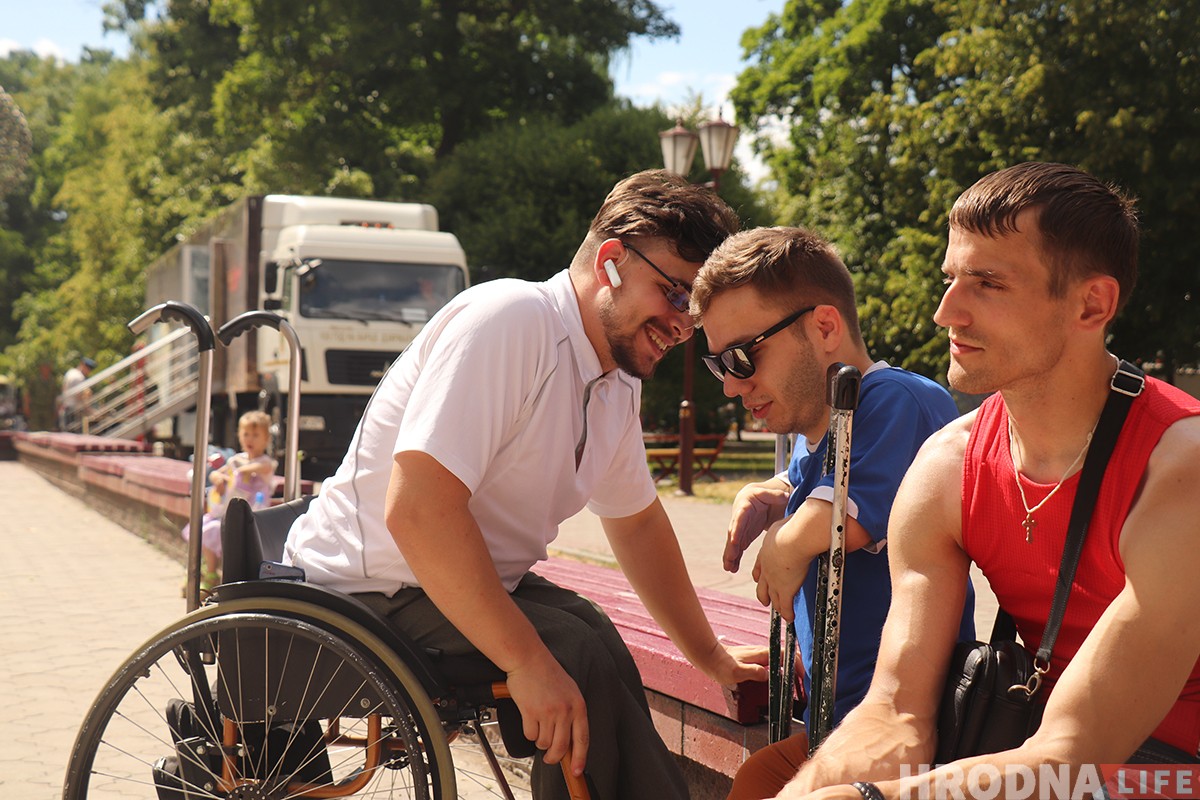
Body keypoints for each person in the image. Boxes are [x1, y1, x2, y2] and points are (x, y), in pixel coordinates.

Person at [284, 169, 769, 800]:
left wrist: (710, 658)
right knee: (569, 651)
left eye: (694, 312)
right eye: (674, 294)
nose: (683, 325)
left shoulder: (613, 378)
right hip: (366, 585)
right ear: (612, 261)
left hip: (442, 579)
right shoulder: (512, 320)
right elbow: (418, 510)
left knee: (594, 634)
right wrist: (526, 662)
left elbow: (636, 523)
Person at [774, 162, 1200, 800]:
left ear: (1092, 303)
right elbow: (895, 713)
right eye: (950, 279)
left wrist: (869, 797)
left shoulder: (1179, 468)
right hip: (1042, 758)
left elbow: (1072, 753)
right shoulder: (949, 464)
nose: (946, 312)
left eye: (988, 284)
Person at [689, 227, 972, 799]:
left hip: (907, 731)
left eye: (743, 356)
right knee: (756, 780)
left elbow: (847, 513)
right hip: (836, 720)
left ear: (824, 327)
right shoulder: (820, 430)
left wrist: (787, 541)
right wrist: (770, 493)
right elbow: (813, 477)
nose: (732, 387)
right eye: (719, 365)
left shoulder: (897, 402)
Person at [183, 410, 276, 595]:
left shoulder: (265, 462)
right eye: (246, 434)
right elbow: (216, 474)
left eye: (256, 435)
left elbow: (262, 467)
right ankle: (209, 572)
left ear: (266, 439)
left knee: (226, 537)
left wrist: (242, 470)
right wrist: (219, 479)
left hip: (253, 514)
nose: (250, 439)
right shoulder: (236, 460)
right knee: (205, 529)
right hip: (229, 511)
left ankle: (224, 576)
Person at [58, 356, 96, 431]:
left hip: (66, 408)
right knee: (75, 434)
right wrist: (88, 410)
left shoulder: (70, 372)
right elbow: (79, 396)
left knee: (67, 433)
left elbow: (63, 388)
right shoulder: (79, 377)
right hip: (75, 411)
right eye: (88, 368)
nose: (88, 371)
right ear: (83, 365)